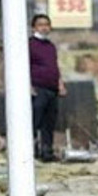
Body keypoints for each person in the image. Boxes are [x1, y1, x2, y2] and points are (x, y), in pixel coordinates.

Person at [29, 14, 65, 162]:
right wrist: (29, 86)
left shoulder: (50, 46)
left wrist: (60, 84)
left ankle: (47, 152)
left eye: (47, 25)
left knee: (49, 122)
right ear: (34, 27)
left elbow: (54, 66)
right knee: (35, 120)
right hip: (37, 87)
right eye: (40, 25)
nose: (44, 27)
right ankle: (32, 150)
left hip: (52, 88)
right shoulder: (29, 44)